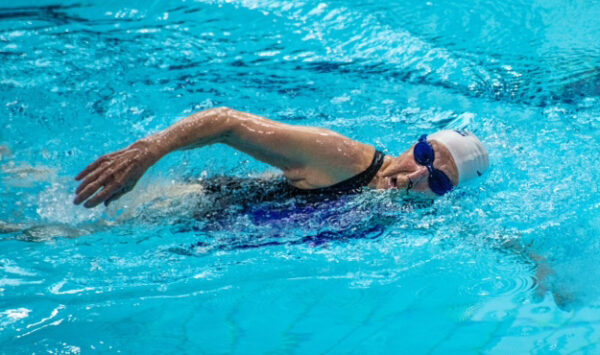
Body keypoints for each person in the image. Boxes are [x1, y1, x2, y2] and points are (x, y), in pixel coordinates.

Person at [73, 107, 489, 208]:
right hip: (192, 208)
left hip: (215, 239)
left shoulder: (414, 210)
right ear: (411, 143)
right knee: (39, 232)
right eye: (422, 155)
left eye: (436, 181)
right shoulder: (342, 159)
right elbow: (226, 122)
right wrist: (149, 151)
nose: (415, 177)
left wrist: (537, 264)